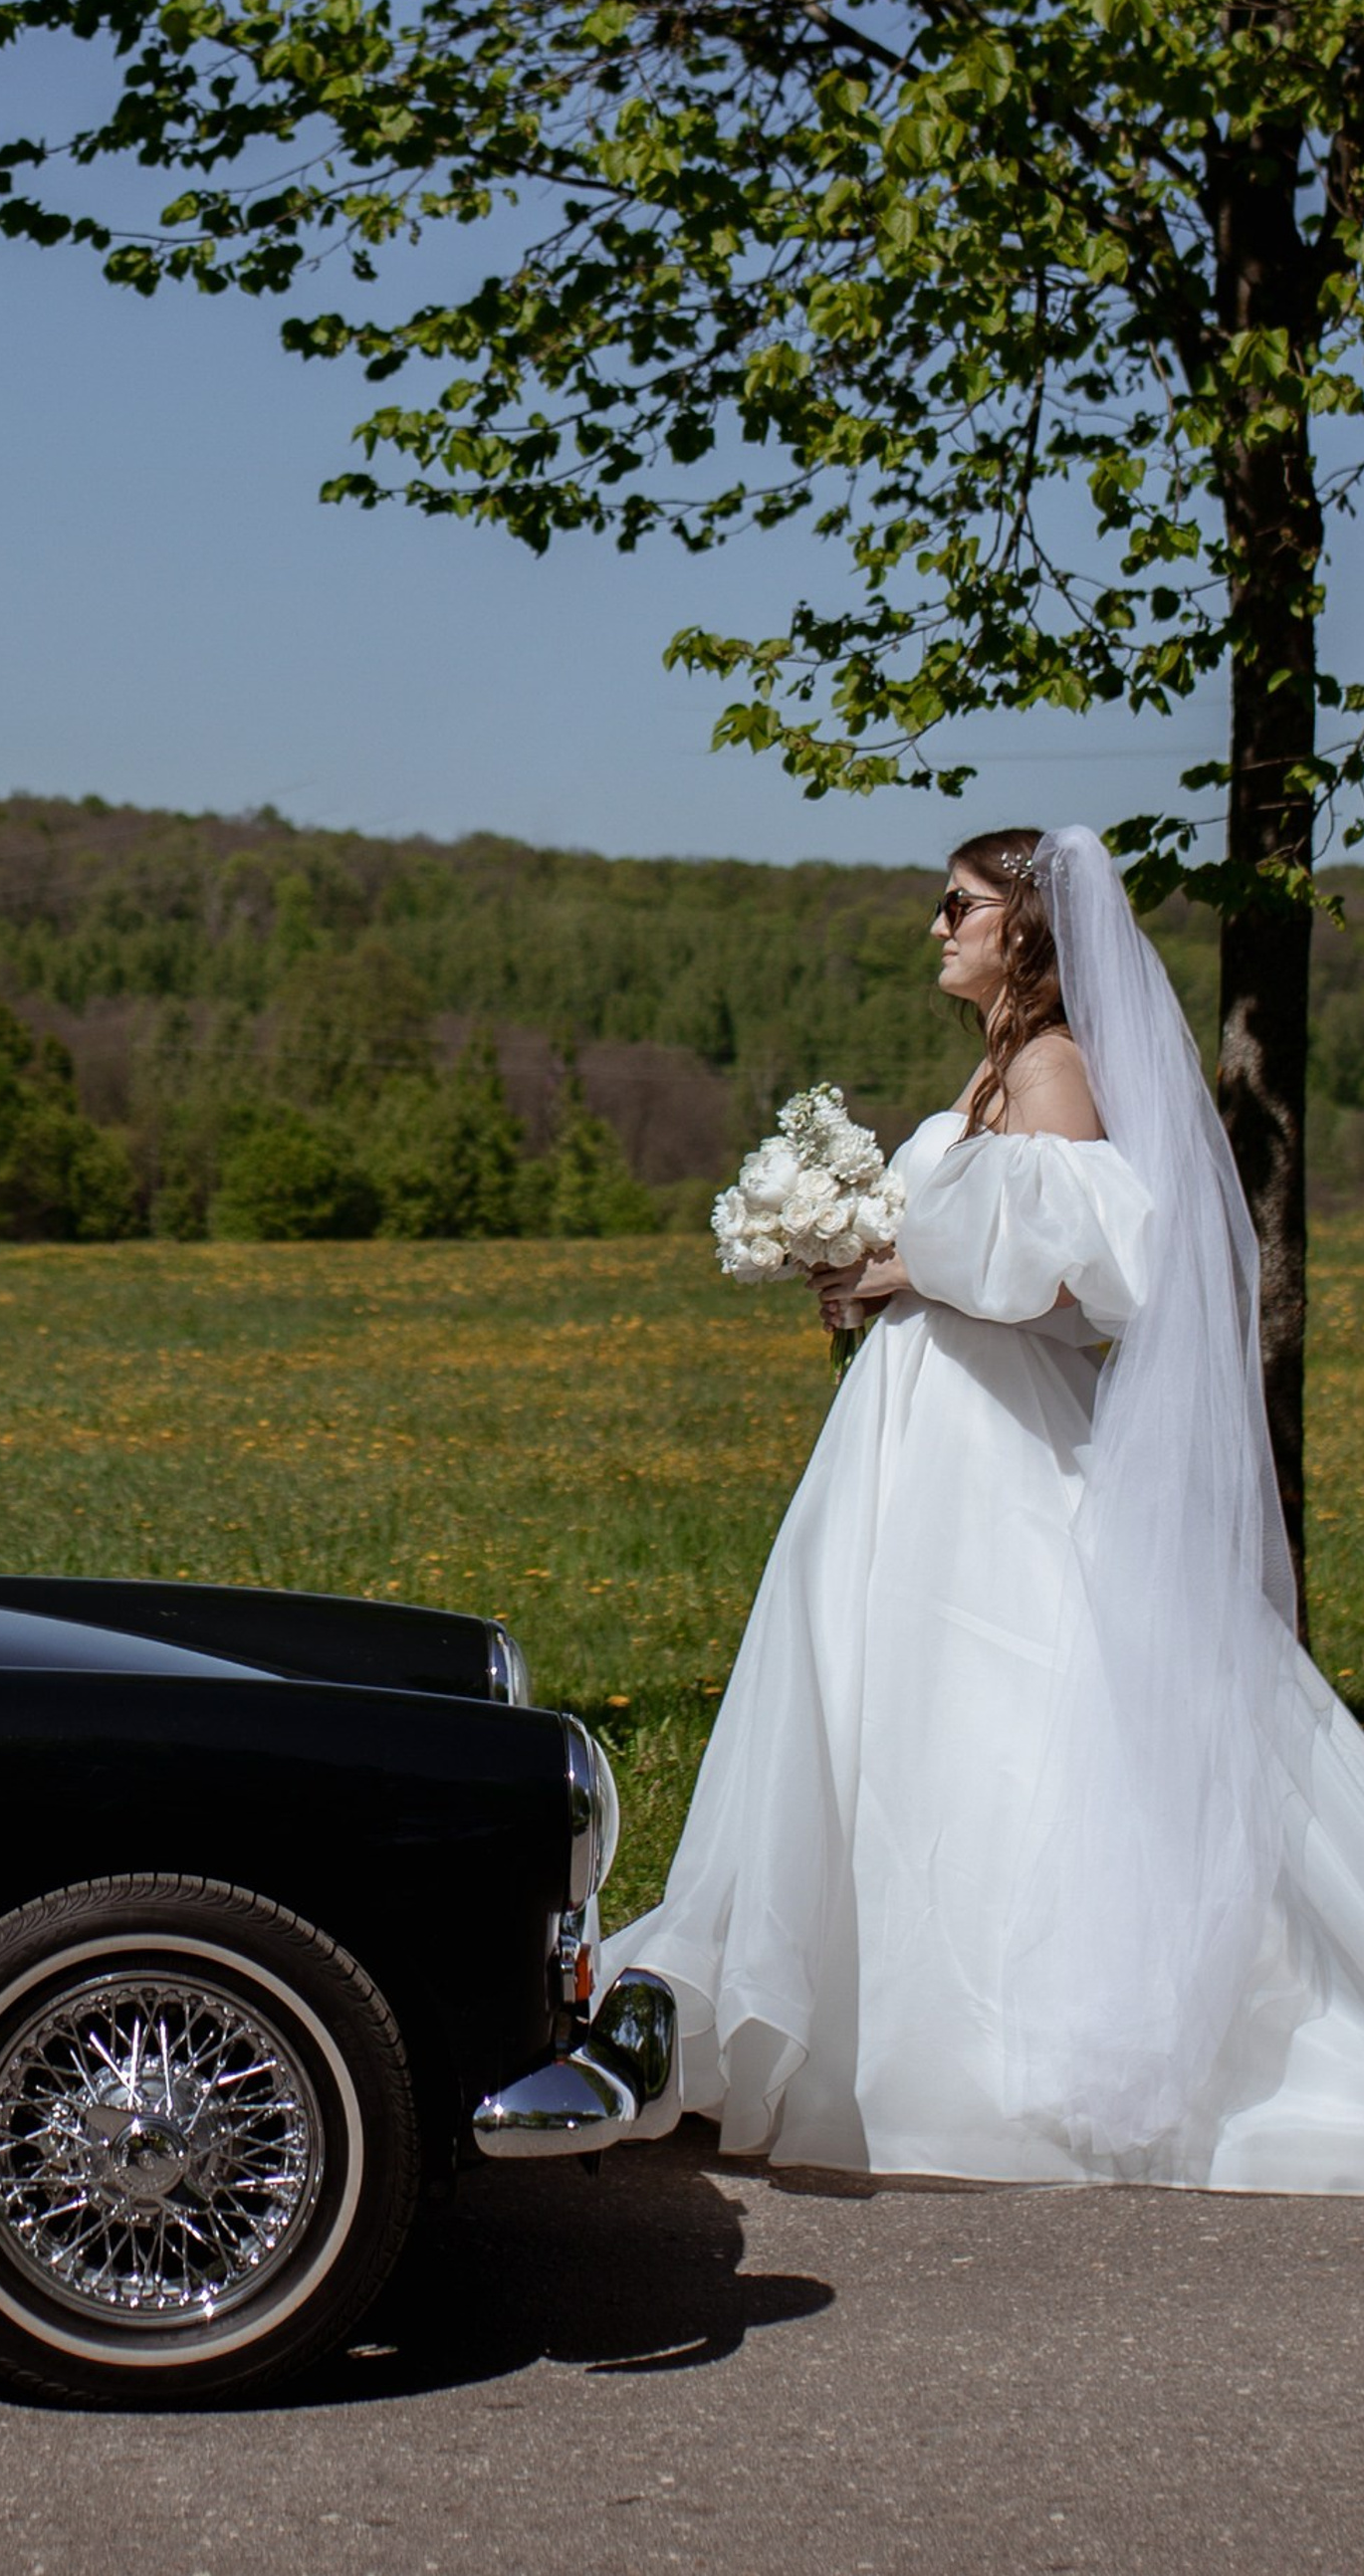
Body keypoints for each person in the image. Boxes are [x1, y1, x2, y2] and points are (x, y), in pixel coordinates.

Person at [611, 824, 1364, 2190]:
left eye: (957, 904)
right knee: (883, 1701)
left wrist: (910, 1273)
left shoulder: (1059, 1069)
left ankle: (975, 2053)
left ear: (1025, 924)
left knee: (1007, 1704)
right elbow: (985, 1246)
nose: (936, 925)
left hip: (989, 1435)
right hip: (914, 1425)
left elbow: (1090, 1278)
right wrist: (864, 1268)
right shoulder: (995, 1068)